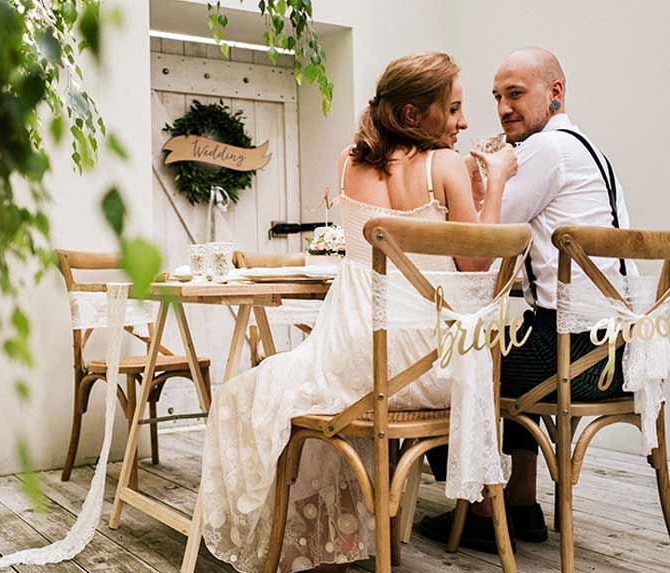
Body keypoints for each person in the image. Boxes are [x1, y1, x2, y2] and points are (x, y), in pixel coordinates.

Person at [199, 52, 517, 573]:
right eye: (454, 108)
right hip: (436, 368)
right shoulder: (446, 166)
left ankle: (330, 545)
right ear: (415, 115)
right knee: (313, 391)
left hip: (358, 361)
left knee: (262, 391)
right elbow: (478, 264)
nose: (463, 122)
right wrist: (497, 177)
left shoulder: (351, 162)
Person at [421, 47, 632, 552]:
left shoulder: (545, 151)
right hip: (620, 350)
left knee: (444, 365)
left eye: (515, 94)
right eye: (497, 96)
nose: (502, 108)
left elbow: (480, 241)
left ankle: (478, 509)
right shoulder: (591, 150)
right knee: (513, 338)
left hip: (579, 357)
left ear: (554, 93)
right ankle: (521, 503)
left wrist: (477, 178)